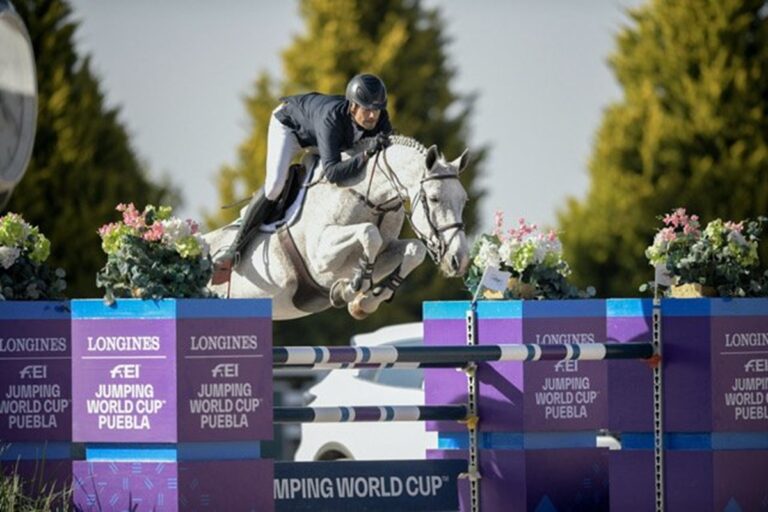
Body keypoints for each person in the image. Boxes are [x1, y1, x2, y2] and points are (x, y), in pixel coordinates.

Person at [212, 73, 394, 279]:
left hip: (320, 137)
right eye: (368, 110)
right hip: (290, 128)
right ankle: (234, 249)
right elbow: (334, 172)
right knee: (275, 186)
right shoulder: (332, 118)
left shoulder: (380, 120)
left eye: (377, 110)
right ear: (353, 106)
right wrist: (368, 154)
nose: (373, 116)